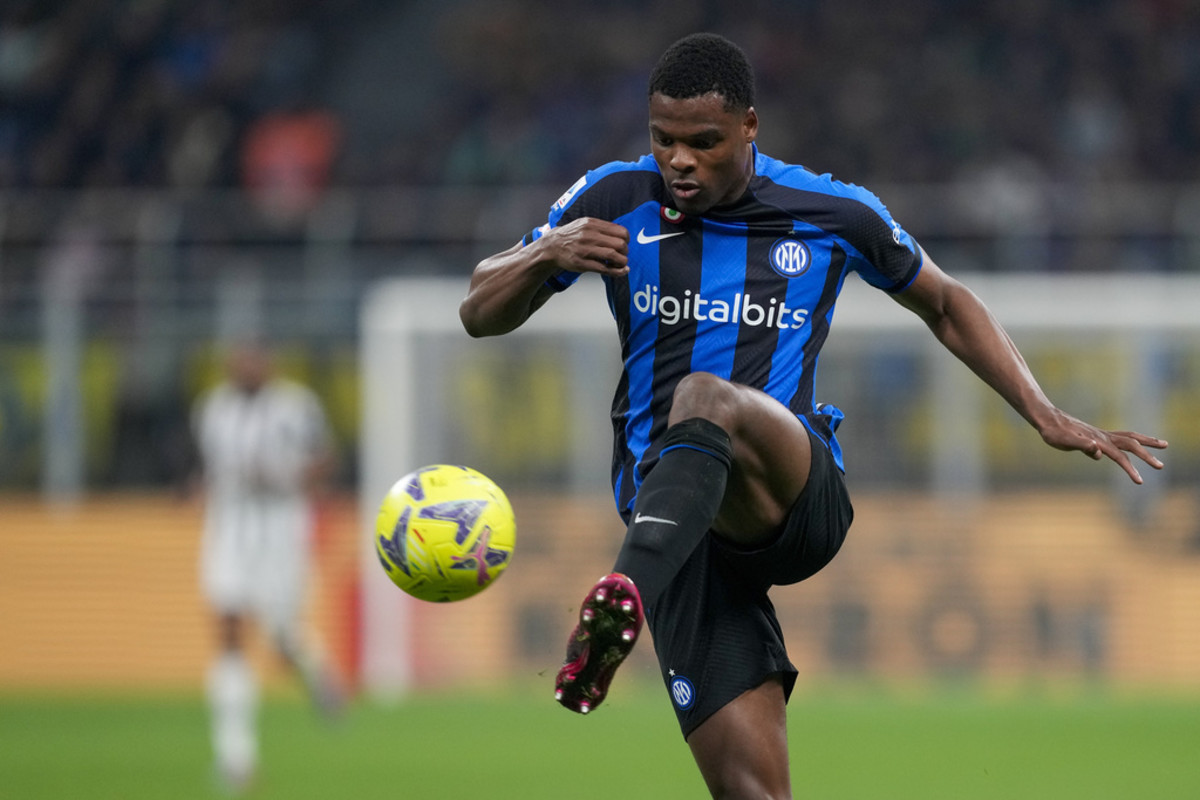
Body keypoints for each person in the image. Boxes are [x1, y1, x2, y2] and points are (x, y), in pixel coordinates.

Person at [458, 32, 1168, 799]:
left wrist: (1043, 411)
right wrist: (543, 254)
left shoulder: (829, 211)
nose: (680, 161)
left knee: (705, 396)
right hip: (680, 533)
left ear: (750, 128)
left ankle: (618, 601)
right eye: (663, 140)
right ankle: (631, 598)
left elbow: (947, 301)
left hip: (791, 497)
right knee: (753, 792)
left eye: (704, 142)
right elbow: (477, 311)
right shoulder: (612, 199)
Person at [191, 340, 344, 793]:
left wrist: (286, 477)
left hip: (281, 527)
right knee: (230, 630)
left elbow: (324, 459)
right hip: (229, 527)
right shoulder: (212, 408)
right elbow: (211, 466)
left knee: (281, 637)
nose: (246, 367)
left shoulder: (296, 406)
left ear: (268, 364)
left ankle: (316, 672)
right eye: (238, 360)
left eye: (253, 359)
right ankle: (236, 757)